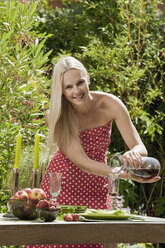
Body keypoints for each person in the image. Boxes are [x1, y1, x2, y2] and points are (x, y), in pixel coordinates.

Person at [28, 56, 160, 248]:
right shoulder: (57, 116)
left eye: (80, 82)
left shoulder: (110, 103)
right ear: (62, 91)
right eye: (69, 87)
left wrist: (133, 155)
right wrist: (126, 174)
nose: (77, 91)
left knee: (104, 240)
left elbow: (140, 146)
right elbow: (83, 162)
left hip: (98, 185)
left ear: (87, 78)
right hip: (62, 188)